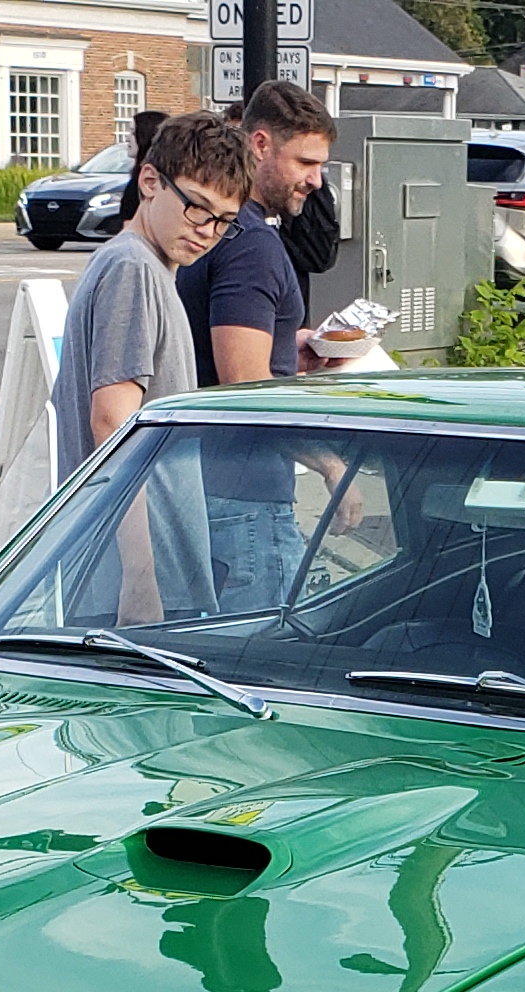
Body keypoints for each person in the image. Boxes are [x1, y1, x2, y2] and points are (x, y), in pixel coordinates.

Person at [53, 112, 246, 623]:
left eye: (224, 220)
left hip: (152, 570)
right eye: (197, 208)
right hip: (132, 582)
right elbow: (114, 424)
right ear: (150, 182)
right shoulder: (133, 269)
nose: (207, 231)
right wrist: (140, 577)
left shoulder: (146, 267)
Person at [177, 81, 338, 611]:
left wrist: (290, 347)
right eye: (305, 162)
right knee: (262, 649)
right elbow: (244, 387)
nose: (315, 180)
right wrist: (330, 463)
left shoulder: (215, 231)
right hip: (244, 499)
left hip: (207, 485)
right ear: (261, 145)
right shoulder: (251, 246)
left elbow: (217, 347)